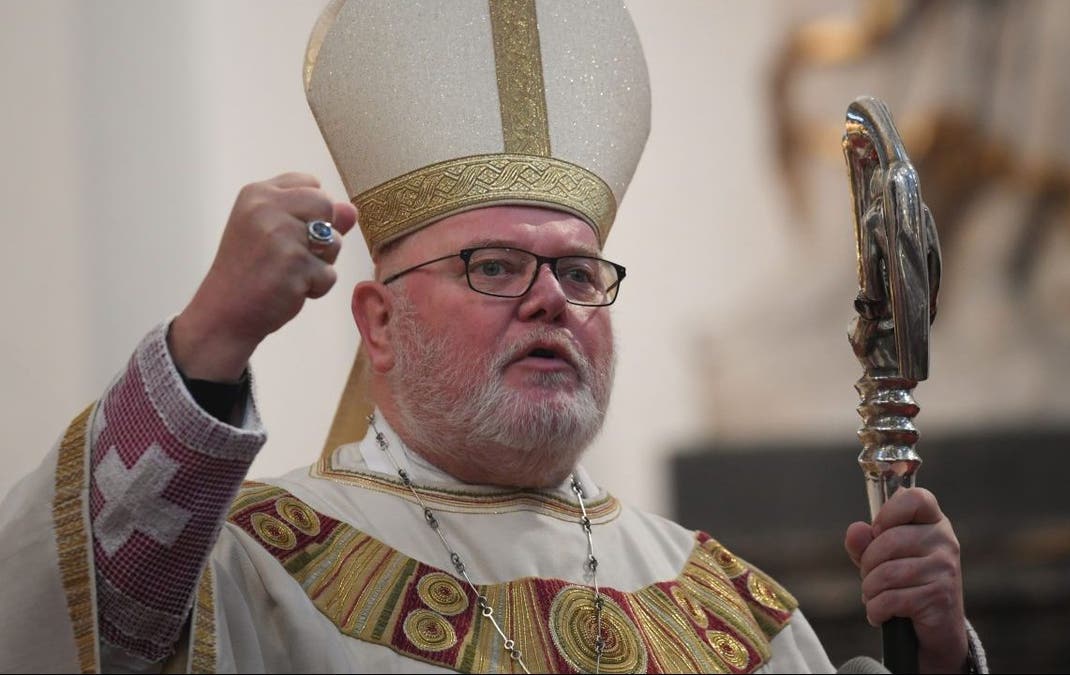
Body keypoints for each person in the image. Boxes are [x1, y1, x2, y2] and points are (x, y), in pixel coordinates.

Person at [0, 1, 984, 672]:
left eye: (579, 270)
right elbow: (70, 629)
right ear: (378, 323)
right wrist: (211, 334)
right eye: (495, 267)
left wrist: (938, 664)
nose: (552, 298)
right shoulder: (248, 563)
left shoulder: (731, 611)